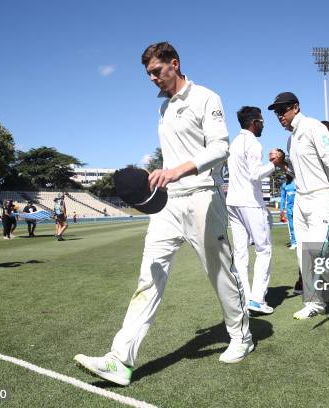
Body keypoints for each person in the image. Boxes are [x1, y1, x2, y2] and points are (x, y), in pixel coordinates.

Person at [74, 42, 252, 386]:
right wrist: (162, 173)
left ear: (175, 63)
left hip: (202, 197)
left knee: (220, 273)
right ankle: (119, 360)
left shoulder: (205, 97)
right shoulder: (164, 109)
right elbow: (173, 156)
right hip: (168, 204)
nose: (153, 78)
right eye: (149, 74)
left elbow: (220, 148)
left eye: (157, 71)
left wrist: (178, 171)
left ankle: (241, 335)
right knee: (149, 277)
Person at [268, 91, 329, 320]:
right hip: (301, 199)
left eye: (282, 110)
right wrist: (283, 164)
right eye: (276, 113)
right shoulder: (291, 138)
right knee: (304, 255)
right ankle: (315, 303)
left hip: (322, 196)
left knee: (319, 251)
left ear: (296, 107)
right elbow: (295, 173)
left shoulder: (314, 127)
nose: (279, 115)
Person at [226, 106, 275, 315]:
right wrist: (274, 164)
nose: (263, 125)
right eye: (262, 121)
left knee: (240, 252)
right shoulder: (253, 143)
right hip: (250, 203)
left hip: (233, 202)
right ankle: (256, 299)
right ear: (254, 122)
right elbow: (255, 175)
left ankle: (244, 297)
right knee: (264, 249)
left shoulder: (235, 142)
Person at [280, 174, 297, 249]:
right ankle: (294, 242)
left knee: (300, 225)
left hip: (298, 207)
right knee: (291, 226)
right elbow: (283, 198)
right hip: (289, 208)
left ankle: (301, 241)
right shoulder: (284, 185)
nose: (287, 175)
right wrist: (282, 209)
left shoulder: (297, 183)